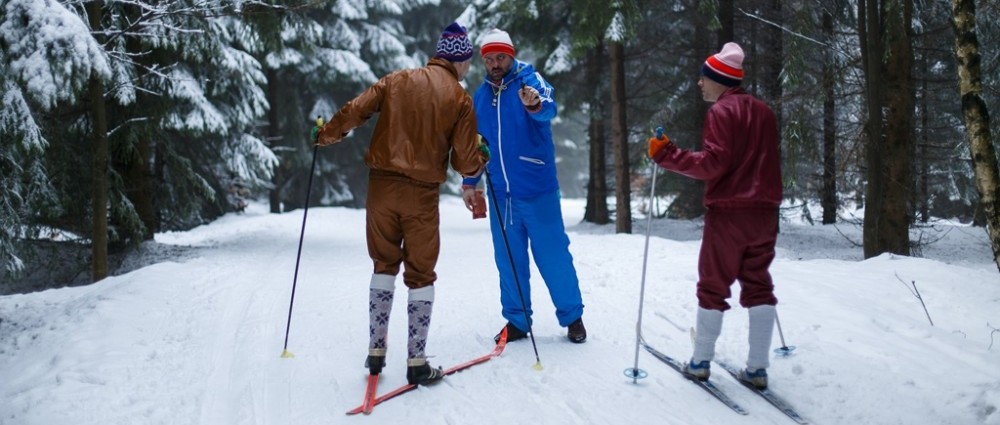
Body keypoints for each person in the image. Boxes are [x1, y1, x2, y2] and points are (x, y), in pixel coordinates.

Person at [315, 22, 487, 386]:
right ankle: (416, 361)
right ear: (459, 61)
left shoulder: (396, 80)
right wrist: (480, 155)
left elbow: (355, 110)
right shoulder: (460, 99)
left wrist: (326, 134)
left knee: (383, 263)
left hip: (381, 188)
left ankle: (376, 351)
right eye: (468, 62)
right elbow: (464, 162)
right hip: (421, 196)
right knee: (421, 273)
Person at [647, 42, 782, 389]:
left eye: (704, 77)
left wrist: (667, 154)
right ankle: (757, 368)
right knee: (759, 284)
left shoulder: (721, 112)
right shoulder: (764, 112)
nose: (699, 83)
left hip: (730, 214)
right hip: (765, 213)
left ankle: (700, 362)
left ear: (719, 79)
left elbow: (713, 164)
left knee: (713, 285)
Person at [461, 28, 587, 344]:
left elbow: (548, 107)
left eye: (500, 57)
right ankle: (517, 320)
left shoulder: (529, 80)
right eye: (489, 59)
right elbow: (476, 144)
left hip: (537, 190)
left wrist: (534, 105)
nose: (495, 64)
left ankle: (573, 317)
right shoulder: (481, 96)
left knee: (553, 256)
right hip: (500, 194)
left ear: (511, 55)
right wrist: (470, 181)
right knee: (509, 260)